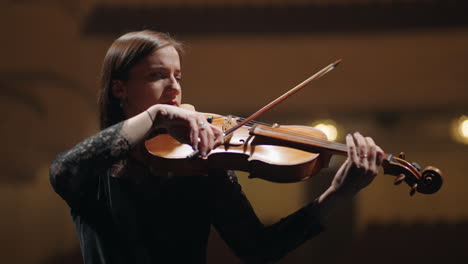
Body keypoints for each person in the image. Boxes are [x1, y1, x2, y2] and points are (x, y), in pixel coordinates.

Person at [50, 30, 384, 264]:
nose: (173, 88)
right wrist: (155, 116)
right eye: (157, 75)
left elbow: (259, 250)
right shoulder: (96, 172)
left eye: (178, 76)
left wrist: (336, 195)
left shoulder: (200, 166)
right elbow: (62, 170)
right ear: (120, 89)